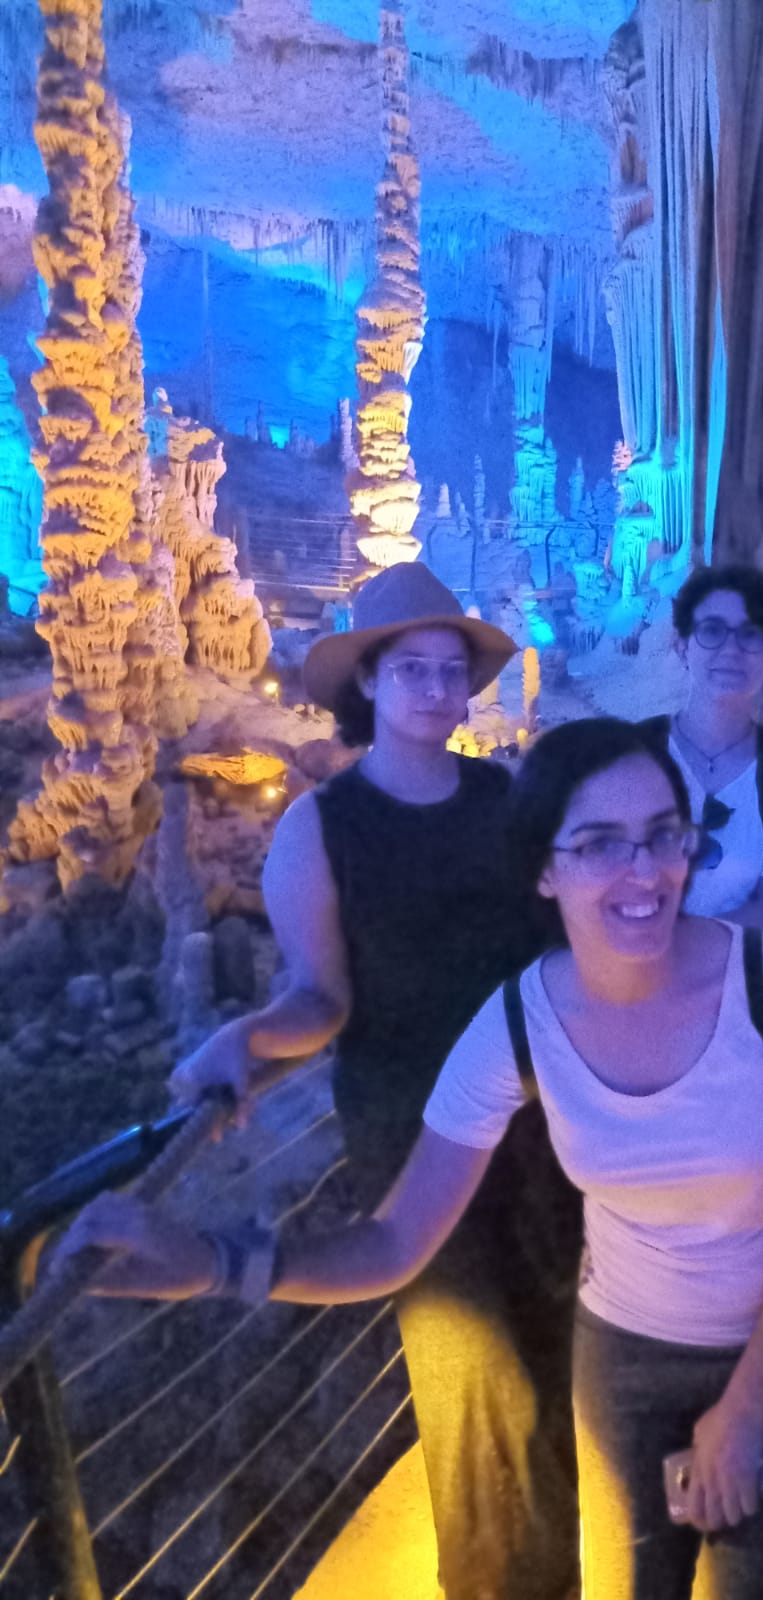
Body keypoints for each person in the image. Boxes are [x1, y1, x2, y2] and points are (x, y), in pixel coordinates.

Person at [68, 717, 763, 1600]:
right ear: (544, 871)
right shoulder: (520, 1024)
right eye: (598, 844)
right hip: (634, 1348)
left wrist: (744, 1410)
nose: (643, 870)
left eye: (662, 835)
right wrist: (212, 1264)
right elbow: (396, 1241)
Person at [168, 562, 581, 1600]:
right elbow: (320, 996)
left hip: (541, 1123)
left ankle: (567, 1569)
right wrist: (249, 1037)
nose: (437, 690)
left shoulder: (507, 801)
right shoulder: (321, 827)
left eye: (449, 671)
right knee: (475, 1379)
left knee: (557, 1348)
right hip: (410, 1129)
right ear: (370, 682)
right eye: (412, 670)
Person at [648, 564, 763, 934]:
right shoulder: (633, 755)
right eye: (712, 630)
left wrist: (664, 942)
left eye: (751, 634)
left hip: (733, 970)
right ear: (682, 645)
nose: (731, 650)